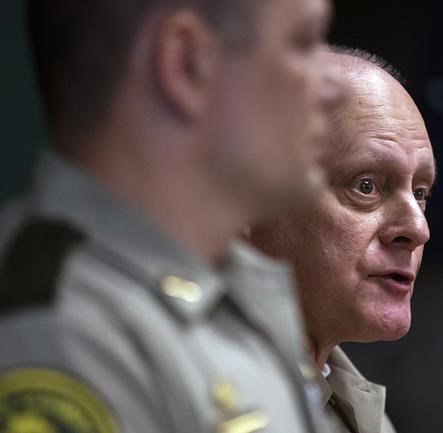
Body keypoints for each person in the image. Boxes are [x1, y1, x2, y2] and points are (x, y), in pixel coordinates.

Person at [0, 1, 342, 433]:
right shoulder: (61, 330)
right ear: (187, 63)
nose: (334, 86)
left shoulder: (227, 292)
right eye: (304, 43)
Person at [249, 48, 436, 433]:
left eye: (420, 193)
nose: (418, 229)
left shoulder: (360, 415)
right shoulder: (171, 387)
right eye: (366, 186)